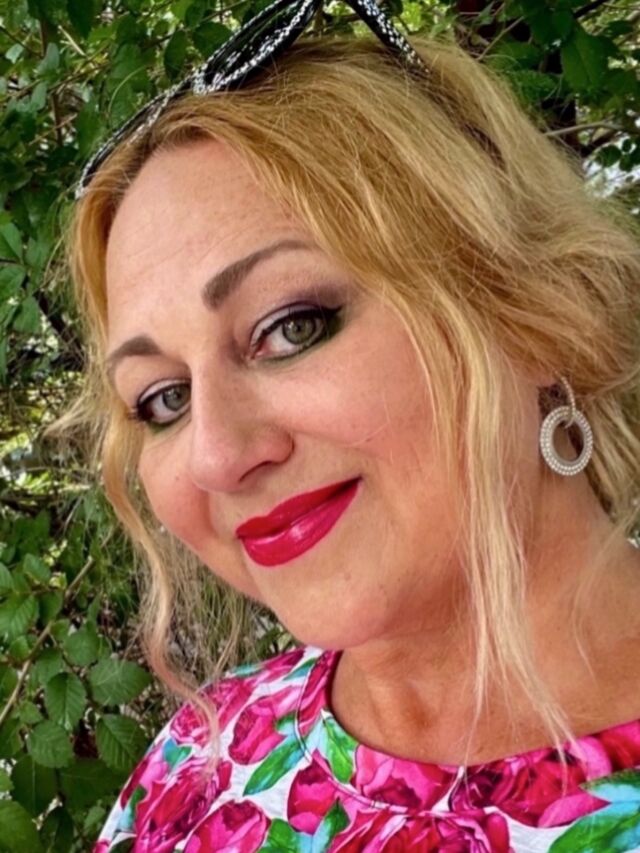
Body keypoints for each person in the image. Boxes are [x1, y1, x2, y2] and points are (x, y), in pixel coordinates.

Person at [55, 0, 640, 848]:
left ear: (533, 311)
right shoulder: (201, 760)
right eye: (163, 399)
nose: (216, 456)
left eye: (291, 326)